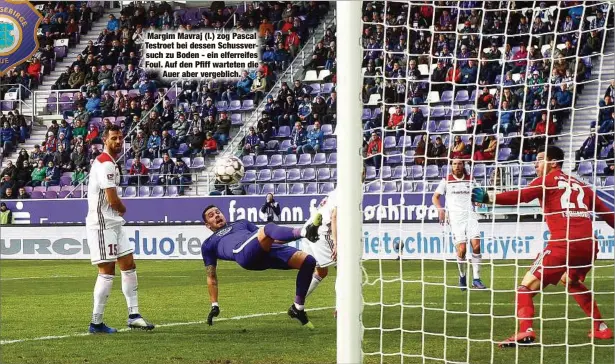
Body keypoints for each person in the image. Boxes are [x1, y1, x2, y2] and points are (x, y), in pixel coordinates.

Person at [472, 146, 614, 347]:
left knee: (524, 289)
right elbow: (608, 215)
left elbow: (521, 195)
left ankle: (525, 331)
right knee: (571, 282)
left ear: (554, 163)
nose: (535, 164)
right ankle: (601, 327)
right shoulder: (582, 186)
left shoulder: (546, 181)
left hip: (563, 244)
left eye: (540, 159)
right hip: (589, 246)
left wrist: (490, 198)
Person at [201, 205, 322, 328]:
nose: (216, 215)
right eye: (211, 215)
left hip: (266, 249)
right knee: (268, 227)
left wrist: (288, 236)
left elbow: (268, 237)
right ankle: (305, 231)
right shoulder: (208, 244)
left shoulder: (241, 223)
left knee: (308, 262)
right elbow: (211, 276)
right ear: (207, 225)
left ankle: (297, 308)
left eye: (218, 212)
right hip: (244, 253)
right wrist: (214, 304)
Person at [85, 125, 154, 334]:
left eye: (120, 138)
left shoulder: (111, 163)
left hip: (113, 222)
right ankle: (96, 322)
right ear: (105, 140)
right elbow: (112, 199)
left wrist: (118, 213)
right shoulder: (105, 164)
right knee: (107, 271)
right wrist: (123, 209)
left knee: (129, 264)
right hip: (102, 223)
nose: (118, 141)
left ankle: (134, 315)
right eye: (114, 138)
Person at [432, 159, 486, 291]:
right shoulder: (446, 180)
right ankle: (462, 276)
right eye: (454, 164)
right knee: (462, 250)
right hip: (456, 219)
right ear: (451, 166)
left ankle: (476, 280)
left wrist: (478, 201)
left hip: (470, 216)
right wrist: (440, 210)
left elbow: (477, 194)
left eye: (459, 163)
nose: (457, 166)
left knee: (477, 246)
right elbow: (435, 197)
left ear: (463, 165)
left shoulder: (470, 179)